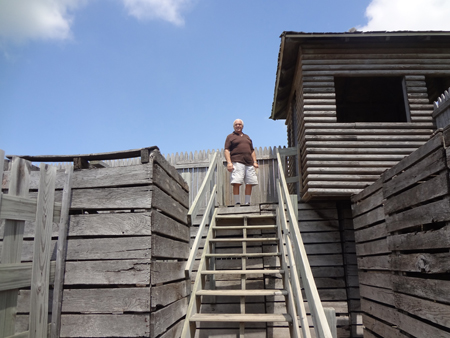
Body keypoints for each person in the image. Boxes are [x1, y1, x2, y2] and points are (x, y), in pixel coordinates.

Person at [224, 119, 259, 206]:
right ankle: (237, 202)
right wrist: (229, 163)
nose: (238, 126)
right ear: (233, 126)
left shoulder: (247, 137)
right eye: (236, 124)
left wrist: (254, 161)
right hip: (237, 161)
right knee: (237, 182)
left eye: (239, 124)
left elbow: (252, 150)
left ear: (242, 126)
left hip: (249, 163)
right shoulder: (230, 137)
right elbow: (226, 150)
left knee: (250, 182)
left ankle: (247, 202)